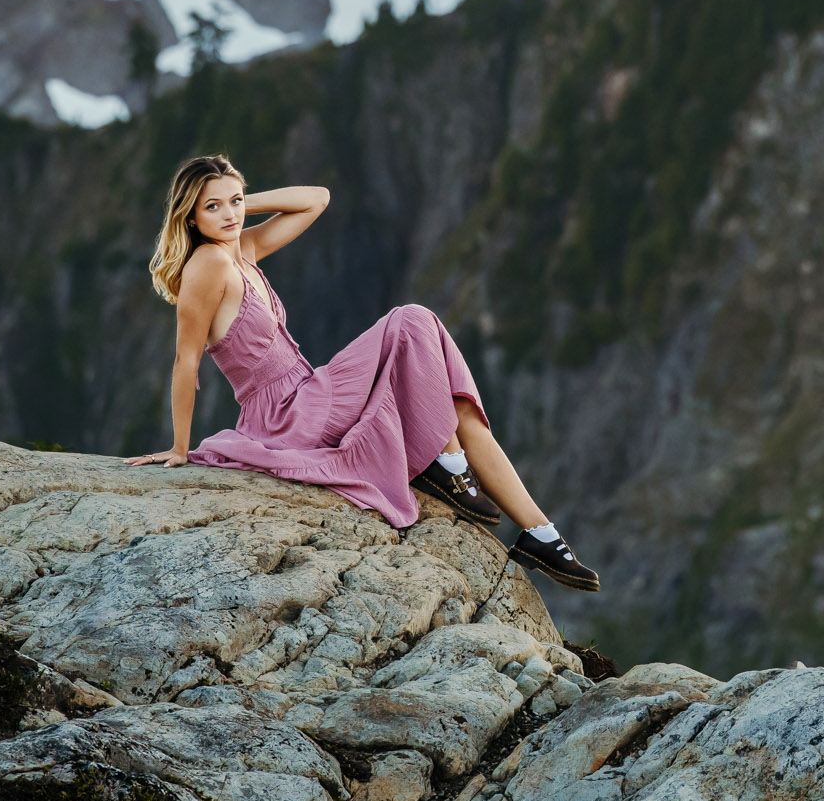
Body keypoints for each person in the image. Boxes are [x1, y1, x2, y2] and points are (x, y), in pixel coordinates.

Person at [128, 152, 600, 591]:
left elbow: (317, 199)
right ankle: (452, 469)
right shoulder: (208, 263)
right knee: (412, 320)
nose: (230, 215)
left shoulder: (241, 248)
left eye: (235, 203)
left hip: (310, 393)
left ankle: (541, 534)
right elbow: (185, 360)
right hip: (286, 416)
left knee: (455, 403)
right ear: (190, 215)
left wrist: (235, 203)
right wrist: (179, 448)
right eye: (213, 208)